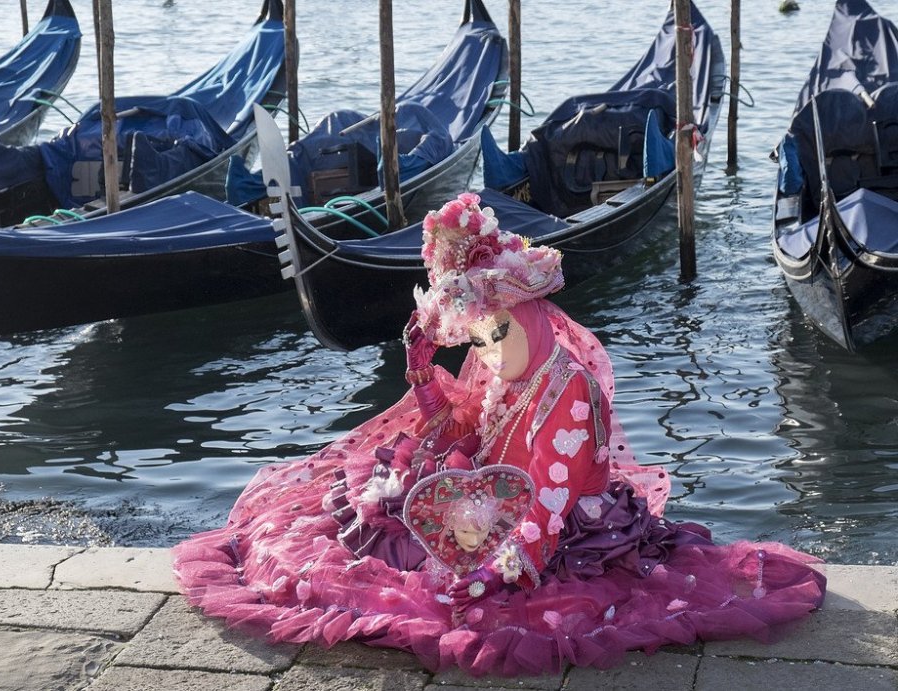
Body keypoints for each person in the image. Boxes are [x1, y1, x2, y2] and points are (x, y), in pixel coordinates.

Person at [173, 193, 826, 675]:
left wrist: (491, 573)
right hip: (497, 498)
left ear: (532, 316)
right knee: (385, 507)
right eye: (477, 337)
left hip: (558, 526)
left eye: (498, 332)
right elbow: (462, 428)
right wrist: (424, 375)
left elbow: (546, 503)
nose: (487, 349)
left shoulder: (568, 389)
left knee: (426, 562)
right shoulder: (506, 365)